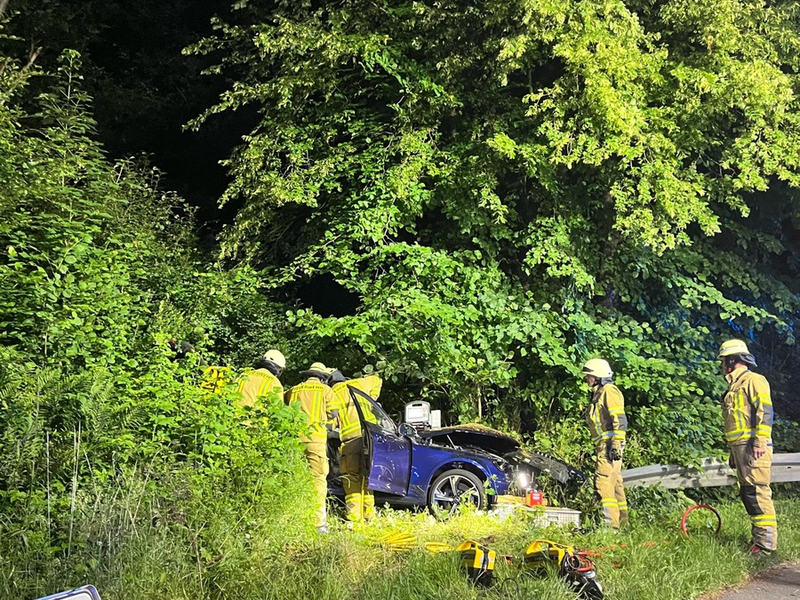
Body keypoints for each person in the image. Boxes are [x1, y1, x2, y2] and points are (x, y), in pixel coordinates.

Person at [718, 339, 776, 555]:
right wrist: (733, 452)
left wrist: (760, 441)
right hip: (741, 447)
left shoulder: (753, 380)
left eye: (724, 360)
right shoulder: (735, 385)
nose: (722, 365)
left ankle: (766, 546)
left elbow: (765, 412)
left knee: (757, 493)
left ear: (733, 360)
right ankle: (759, 541)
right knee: (748, 493)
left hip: (753, 447)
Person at [285, 361, 337, 533]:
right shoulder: (326, 391)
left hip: (294, 440)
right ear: (323, 378)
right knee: (318, 479)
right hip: (316, 440)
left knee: (295, 478)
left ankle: (293, 520)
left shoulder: (293, 391)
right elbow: (333, 413)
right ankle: (318, 524)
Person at [327, 367, 383, 523]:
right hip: (369, 438)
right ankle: (368, 514)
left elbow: (332, 423)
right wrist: (372, 400)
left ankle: (354, 515)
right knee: (367, 475)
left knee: (351, 476)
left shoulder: (332, 394)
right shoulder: (358, 383)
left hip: (350, 441)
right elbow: (377, 380)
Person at [582, 358, 628, 530]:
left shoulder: (609, 391)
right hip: (606, 445)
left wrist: (615, 445)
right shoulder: (600, 393)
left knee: (603, 484)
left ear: (598, 376)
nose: (587, 378)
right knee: (615, 485)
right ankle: (623, 524)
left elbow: (620, 420)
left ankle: (610, 528)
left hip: (609, 446)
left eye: (590, 376)